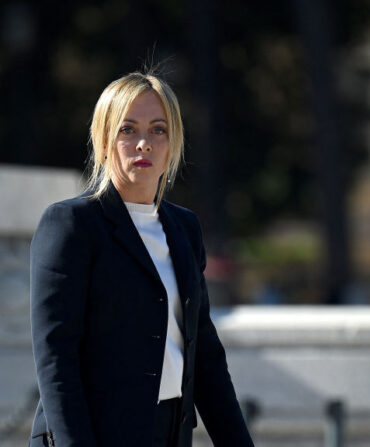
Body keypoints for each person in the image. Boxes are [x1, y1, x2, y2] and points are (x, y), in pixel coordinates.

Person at [29, 72, 255, 447]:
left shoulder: (184, 228)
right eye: (128, 130)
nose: (144, 144)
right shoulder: (71, 224)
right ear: (103, 141)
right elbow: (56, 361)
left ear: (174, 143)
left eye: (158, 130)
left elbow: (206, 359)